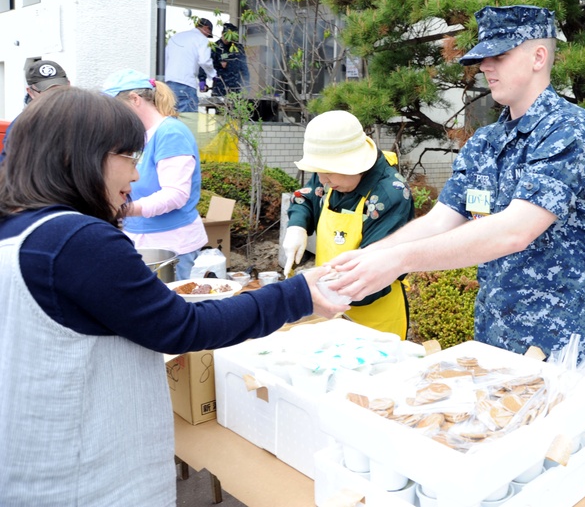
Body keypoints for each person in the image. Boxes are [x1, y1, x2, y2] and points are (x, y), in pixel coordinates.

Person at [0, 86, 346, 506]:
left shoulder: (19, 229)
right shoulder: (75, 239)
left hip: (32, 461)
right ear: (81, 157)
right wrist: (298, 294)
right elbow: (182, 327)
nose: (134, 174)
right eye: (128, 157)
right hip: (88, 479)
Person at [325, 5, 585, 471]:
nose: (485, 66)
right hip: (496, 338)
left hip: (564, 343)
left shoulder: (570, 130)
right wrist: (360, 260)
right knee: (508, 475)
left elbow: (514, 230)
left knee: (567, 473)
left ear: (539, 56)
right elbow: (443, 219)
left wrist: (396, 264)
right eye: (483, 58)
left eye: (499, 56)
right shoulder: (485, 142)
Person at [282, 110, 415, 340]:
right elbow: (306, 197)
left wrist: (313, 291)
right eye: (317, 171)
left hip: (374, 315)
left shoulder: (390, 195)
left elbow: (374, 269)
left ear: (355, 165)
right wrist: (297, 226)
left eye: (328, 172)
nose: (322, 180)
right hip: (328, 304)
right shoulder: (329, 178)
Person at [102, 69, 207, 280]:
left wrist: (122, 210)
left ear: (135, 99)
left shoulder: (171, 132)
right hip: (140, 241)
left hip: (173, 244)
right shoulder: (137, 137)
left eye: (115, 108)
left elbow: (175, 194)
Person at [0, 59, 71, 165]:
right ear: (31, 92)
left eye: (60, 90)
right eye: (48, 92)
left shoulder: (87, 115)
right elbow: (8, 169)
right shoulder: (22, 126)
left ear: (69, 85)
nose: (56, 97)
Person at [165, 17, 217, 112]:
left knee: (171, 117)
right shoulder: (202, 39)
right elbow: (204, 61)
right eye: (208, 34)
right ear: (206, 28)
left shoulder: (176, 37)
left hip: (169, 84)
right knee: (188, 120)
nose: (207, 36)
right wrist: (213, 75)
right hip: (186, 84)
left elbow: (166, 59)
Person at [209, 22, 250, 96]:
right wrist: (202, 80)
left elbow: (244, 67)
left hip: (236, 87)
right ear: (222, 33)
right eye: (226, 36)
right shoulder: (215, 47)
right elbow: (207, 65)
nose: (228, 39)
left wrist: (247, 84)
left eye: (230, 37)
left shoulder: (238, 48)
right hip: (220, 87)